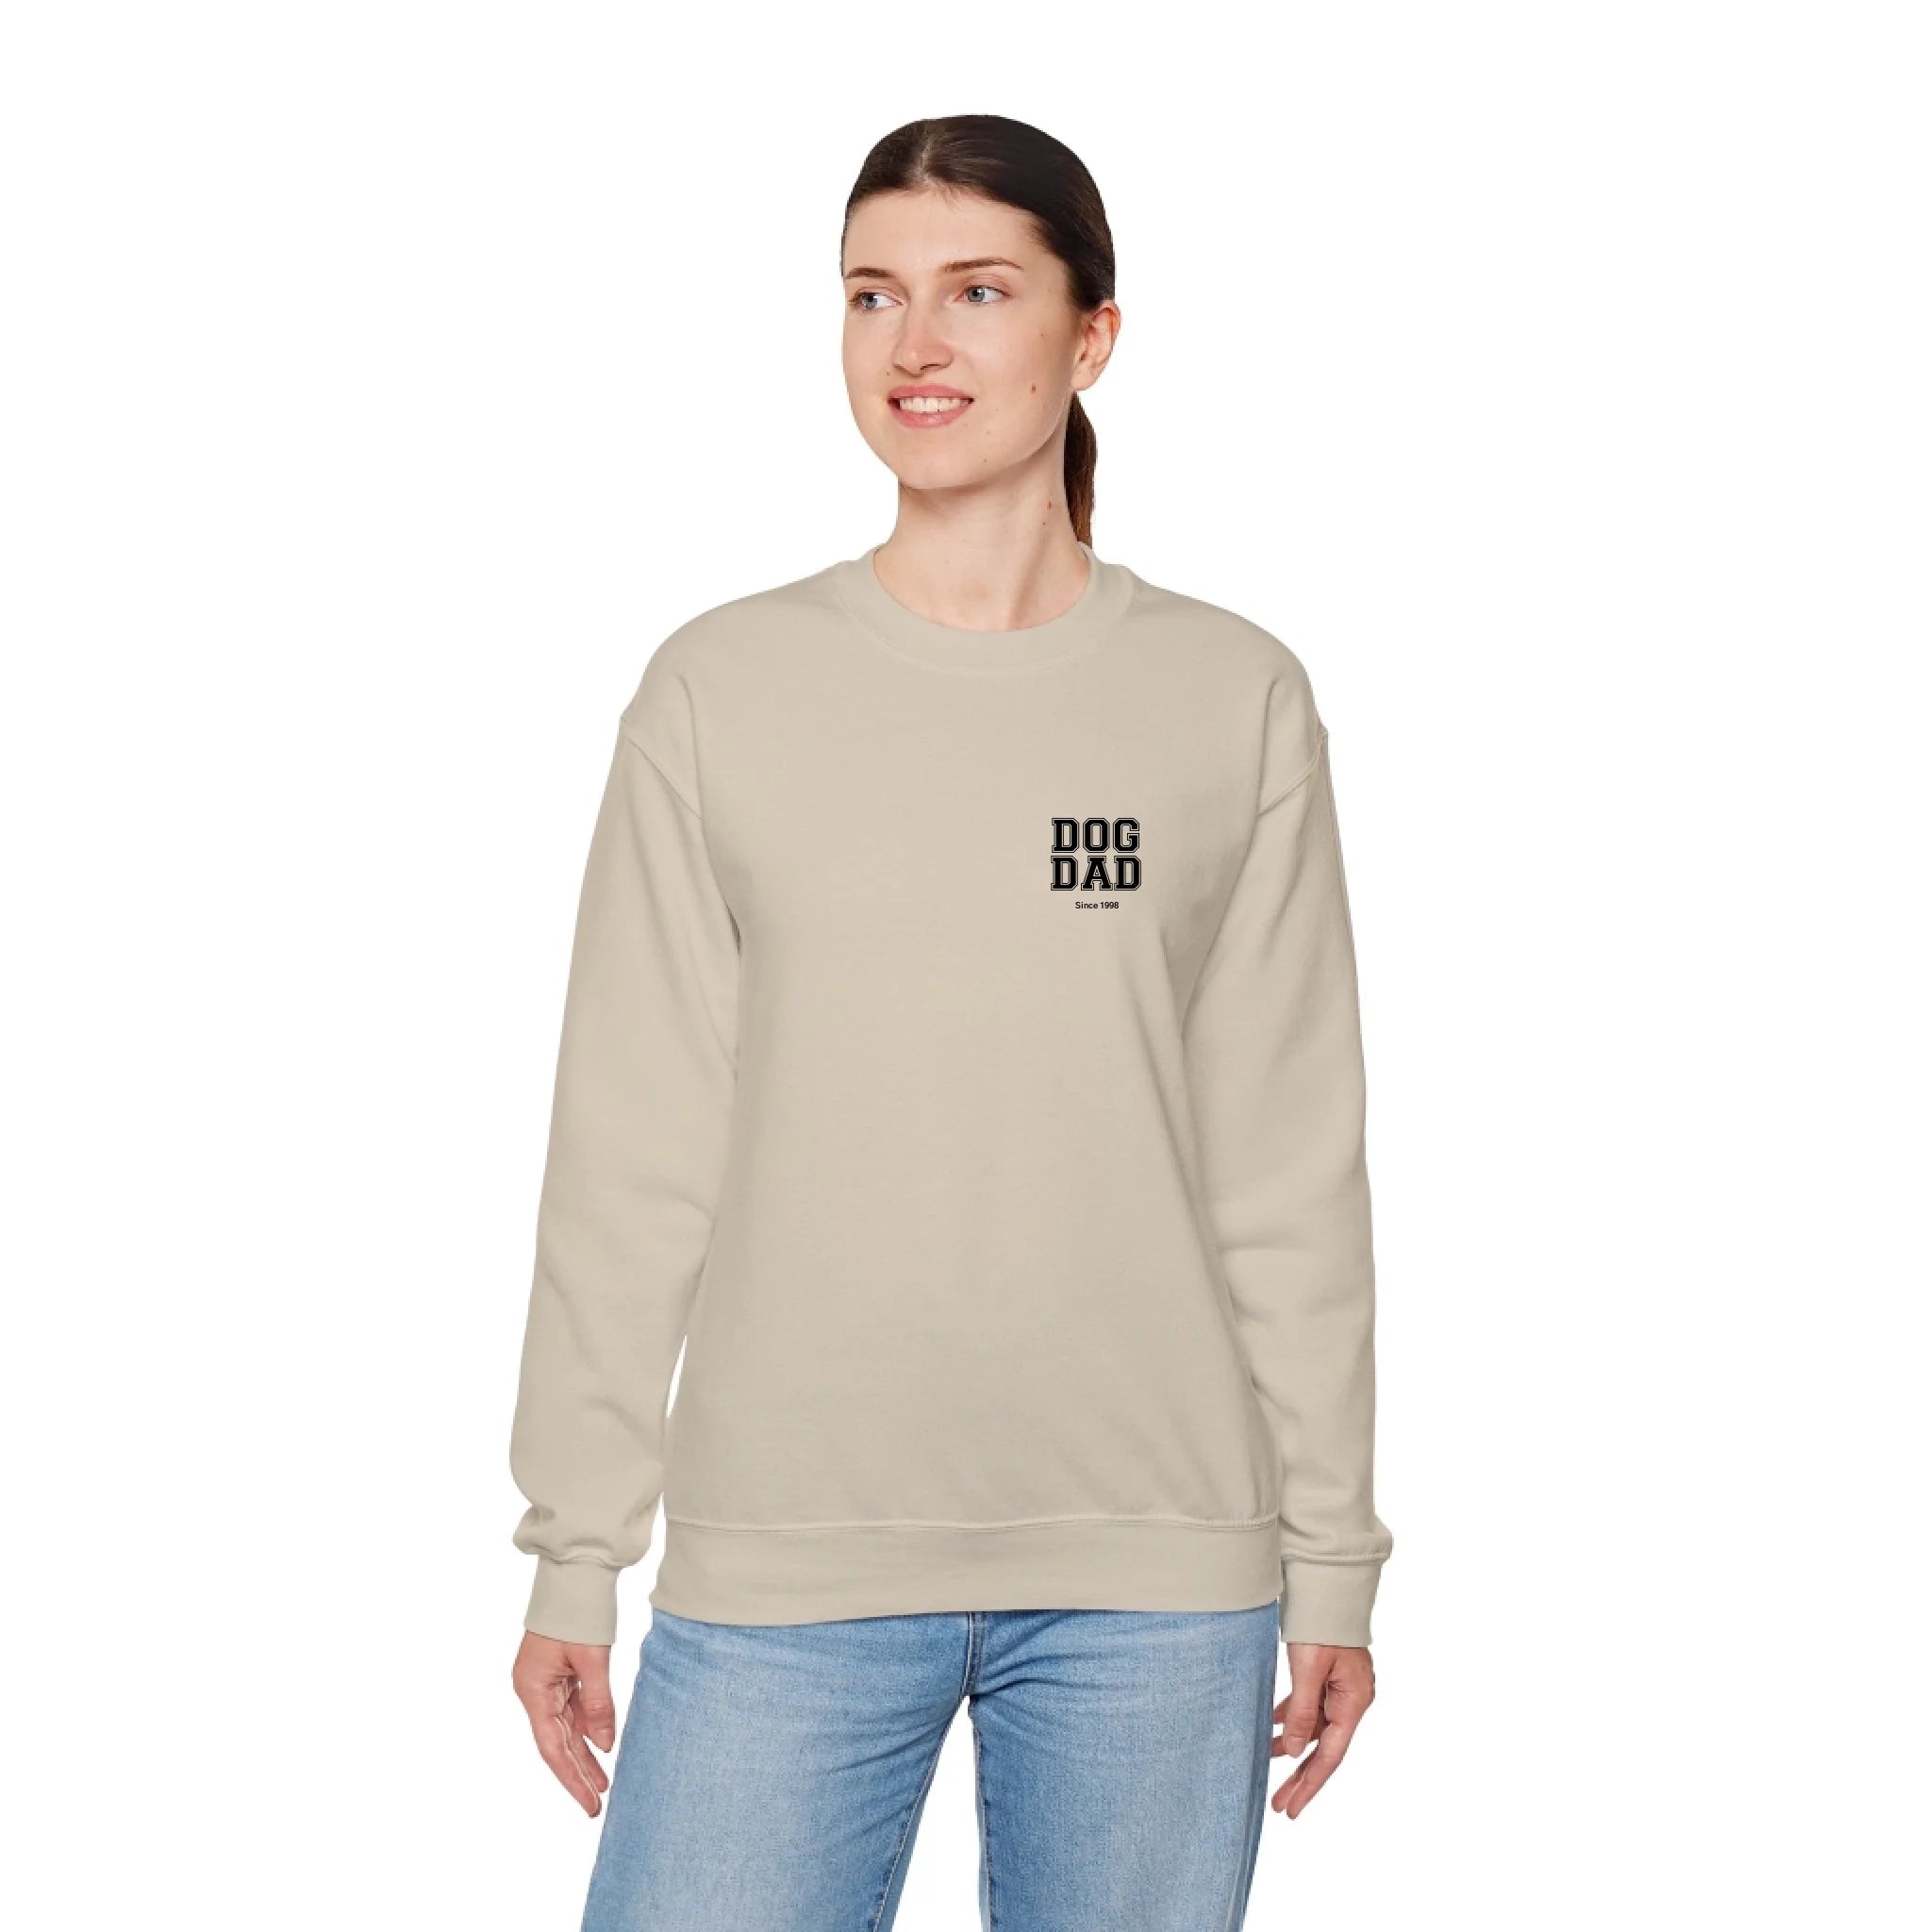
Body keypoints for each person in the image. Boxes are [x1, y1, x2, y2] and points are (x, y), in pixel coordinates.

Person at [507, 112, 1393, 1932]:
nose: (914, 343)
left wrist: (1332, 1559)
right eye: (871, 295)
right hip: (786, 1560)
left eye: (978, 292)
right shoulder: (720, 691)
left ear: (1093, 335)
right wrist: (577, 1544)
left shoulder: (1229, 698)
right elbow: (631, 1153)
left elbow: (1287, 1168)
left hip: (1156, 1577)